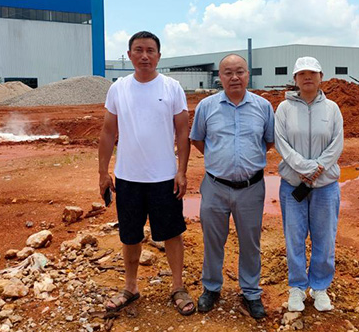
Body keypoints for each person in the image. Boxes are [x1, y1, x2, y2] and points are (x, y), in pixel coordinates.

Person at [98, 31, 195, 316]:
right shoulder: (118, 89)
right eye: (138, 50)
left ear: (159, 56)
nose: (144, 56)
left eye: (150, 50)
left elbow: (182, 132)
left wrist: (182, 171)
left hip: (164, 178)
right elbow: (108, 132)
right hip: (128, 178)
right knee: (130, 235)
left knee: (172, 233)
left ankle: (178, 286)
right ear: (129, 55)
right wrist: (103, 172)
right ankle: (130, 287)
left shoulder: (172, 87)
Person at [190, 54, 275, 319]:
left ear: (248, 75)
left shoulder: (263, 107)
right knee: (213, 240)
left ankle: (251, 292)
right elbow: (198, 139)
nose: (234, 77)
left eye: (240, 71)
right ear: (220, 77)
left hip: (251, 188)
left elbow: (268, 141)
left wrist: (246, 162)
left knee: (250, 242)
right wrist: (220, 161)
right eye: (228, 72)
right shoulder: (206, 106)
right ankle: (211, 288)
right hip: (215, 186)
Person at [274, 56, 343, 312]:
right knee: (294, 237)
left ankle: (320, 287)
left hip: (325, 186)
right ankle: (297, 288)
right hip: (293, 185)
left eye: (312, 73)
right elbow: (281, 143)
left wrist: (317, 169)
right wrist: (305, 168)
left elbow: (337, 144)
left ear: (321, 77)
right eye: (302, 73)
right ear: (294, 79)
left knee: (324, 238)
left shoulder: (332, 109)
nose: (307, 77)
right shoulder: (284, 109)